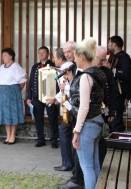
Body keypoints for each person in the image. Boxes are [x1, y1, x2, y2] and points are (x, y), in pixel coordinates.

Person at [70, 37, 106, 189]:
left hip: (87, 125)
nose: (74, 60)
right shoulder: (98, 73)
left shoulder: (85, 76)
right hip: (98, 122)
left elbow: (84, 107)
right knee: (95, 165)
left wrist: (77, 131)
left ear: (82, 57)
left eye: (75, 57)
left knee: (87, 167)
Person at [47, 43, 75, 173]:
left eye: (54, 57)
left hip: (70, 106)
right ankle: (70, 161)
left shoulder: (65, 68)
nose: (53, 60)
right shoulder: (69, 66)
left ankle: (67, 162)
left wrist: (55, 99)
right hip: (69, 104)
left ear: (60, 58)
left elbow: (67, 88)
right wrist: (56, 98)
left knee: (64, 132)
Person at [26, 46, 58, 148]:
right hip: (37, 96)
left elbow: (57, 82)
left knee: (52, 118)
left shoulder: (53, 65)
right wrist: (29, 97)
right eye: (39, 53)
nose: (41, 54)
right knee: (38, 119)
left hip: (50, 96)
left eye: (43, 52)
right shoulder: (35, 67)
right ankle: (40, 139)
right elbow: (31, 83)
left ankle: (54, 141)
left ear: (48, 54)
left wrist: (57, 97)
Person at [0, 48, 27, 145]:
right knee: (6, 114)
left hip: (12, 92)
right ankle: (8, 135)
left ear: (11, 56)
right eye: (2, 55)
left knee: (13, 113)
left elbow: (22, 81)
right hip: (3, 93)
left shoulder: (15, 66)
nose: (3, 57)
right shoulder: (1, 67)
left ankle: (13, 135)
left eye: (5, 55)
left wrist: (16, 91)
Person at [105, 35, 131, 132]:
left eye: (109, 44)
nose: (108, 46)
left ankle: (117, 140)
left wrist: (112, 69)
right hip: (112, 91)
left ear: (115, 45)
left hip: (119, 92)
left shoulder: (124, 57)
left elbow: (127, 74)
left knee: (116, 117)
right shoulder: (112, 57)